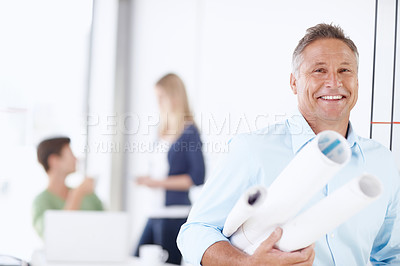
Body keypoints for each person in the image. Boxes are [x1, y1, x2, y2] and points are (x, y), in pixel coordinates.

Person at [177, 23, 400, 265]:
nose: (334, 82)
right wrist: (246, 264)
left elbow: (389, 255)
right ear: (294, 83)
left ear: (357, 81)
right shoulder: (252, 150)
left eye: (345, 70)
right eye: (319, 70)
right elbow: (195, 232)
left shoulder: (383, 162)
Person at [134, 73, 205, 265]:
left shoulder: (189, 132)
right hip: (154, 212)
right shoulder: (162, 130)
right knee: (135, 257)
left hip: (174, 215)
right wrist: (148, 179)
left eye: (161, 97)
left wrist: (155, 183)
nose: (157, 103)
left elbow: (197, 177)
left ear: (174, 97)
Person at [32, 137, 103, 238]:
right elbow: (55, 236)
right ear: (54, 161)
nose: (76, 159)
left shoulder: (89, 196)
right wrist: (76, 195)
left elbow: (106, 227)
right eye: (71, 154)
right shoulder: (41, 202)